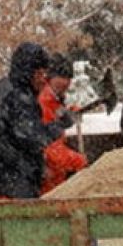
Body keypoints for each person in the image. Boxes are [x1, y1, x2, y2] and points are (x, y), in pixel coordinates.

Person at [0, 43, 74, 199]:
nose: (43, 80)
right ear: (29, 73)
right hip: (15, 182)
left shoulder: (1, 86)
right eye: (40, 74)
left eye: (45, 74)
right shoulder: (21, 99)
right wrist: (59, 125)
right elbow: (33, 137)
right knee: (22, 221)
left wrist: (0, 135)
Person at [38, 54, 88, 194]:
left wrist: (72, 111)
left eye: (68, 78)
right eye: (62, 77)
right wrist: (77, 161)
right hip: (47, 179)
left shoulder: (55, 99)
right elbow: (47, 146)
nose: (66, 82)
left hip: (56, 177)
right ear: (51, 77)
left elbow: (58, 117)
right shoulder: (43, 102)